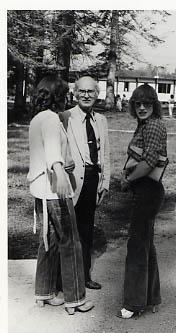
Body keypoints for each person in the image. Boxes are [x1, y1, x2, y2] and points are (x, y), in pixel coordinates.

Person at [27, 75, 94, 315]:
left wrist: (59, 165)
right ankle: (75, 299)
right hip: (56, 190)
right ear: (56, 96)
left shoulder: (37, 119)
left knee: (49, 241)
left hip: (40, 190)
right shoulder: (53, 120)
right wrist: (61, 173)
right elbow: (53, 153)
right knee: (71, 241)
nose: (66, 99)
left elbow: (44, 152)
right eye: (64, 95)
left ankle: (43, 292)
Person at [118, 84, 168, 319]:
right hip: (145, 190)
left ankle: (133, 304)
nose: (141, 107)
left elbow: (148, 162)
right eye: (137, 103)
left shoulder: (155, 125)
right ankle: (151, 298)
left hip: (148, 191)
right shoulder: (145, 125)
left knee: (137, 246)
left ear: (154, 105)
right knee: (145, 244)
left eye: (147, 103)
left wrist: (128, 179)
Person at [60, 76, 110, 290]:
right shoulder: (65, 117)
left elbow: (105, 153)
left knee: (87, 230)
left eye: (91, 91)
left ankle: (84, 275)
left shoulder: (101, 120)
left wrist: (105, 182)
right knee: (67, 231)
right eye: (82, 91)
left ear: (97, 94)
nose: (87, 95)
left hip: (92, 180)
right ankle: (63, 280)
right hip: (71, 181)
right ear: (75, 93)